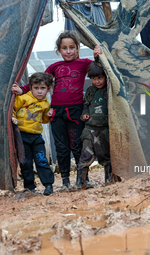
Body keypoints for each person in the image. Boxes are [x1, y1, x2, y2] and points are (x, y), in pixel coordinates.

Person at [12, 30, 101, 191]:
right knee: (62, 147)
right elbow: (39, 80)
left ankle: (82, 179)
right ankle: (65, 180)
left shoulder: (84, 64)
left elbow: (99, 69)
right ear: (59, 50)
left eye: (72, 47)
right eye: (64, 48)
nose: (68, 51)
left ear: (77, 48)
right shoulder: (55, 66)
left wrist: (97, 56)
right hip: (56, 113)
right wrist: (23, 89)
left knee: (77, 145)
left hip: (75, 112)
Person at [12, 72, 55, 195]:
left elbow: (43, 120)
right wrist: (13, 118)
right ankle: (29, 187)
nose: (39, 91)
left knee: (41, 160)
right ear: (31, 88)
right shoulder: (24, 98)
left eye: (43, 88)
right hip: (22, 136)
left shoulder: (46, 104)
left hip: (36, 137)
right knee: (25, 163)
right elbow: (13, 108)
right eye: (36, 88)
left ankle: (48, 185)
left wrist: (48, 116)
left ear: (48, 89)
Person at [74, 60, 112, 190]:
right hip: (89, 128)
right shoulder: (90, 91)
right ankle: (80, 182)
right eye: (94, 79)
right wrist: (84, 114)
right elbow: (85, 104)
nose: (97, 81)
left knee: (106, 154)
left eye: (100, 78)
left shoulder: (109, 90)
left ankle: (109, 179)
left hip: (105, 129)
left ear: (106, 77)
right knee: (85, 154)